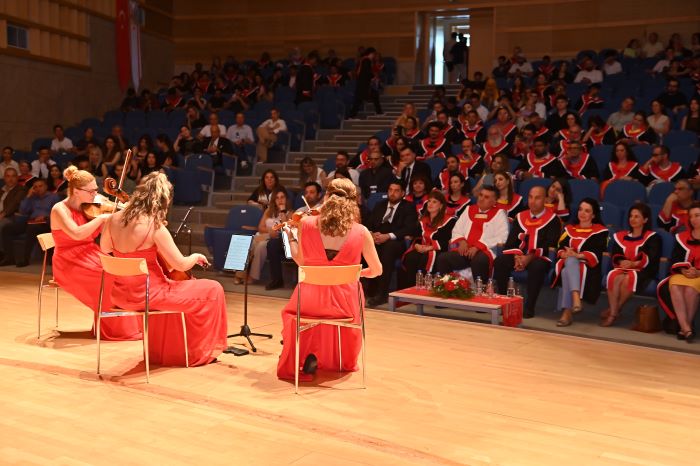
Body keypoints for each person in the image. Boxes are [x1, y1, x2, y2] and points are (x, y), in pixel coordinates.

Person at [100, 173, 226, 366]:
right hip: (151, 295)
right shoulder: (155, 226)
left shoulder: (112, 220)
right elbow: (180, 265)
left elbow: (105, 249)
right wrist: (195, 257)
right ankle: (194, 352)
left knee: (182, 290)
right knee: (213, 288)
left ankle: (165, 352)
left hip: (122, 295)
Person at [277, 178, 382, 380]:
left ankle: (307, 353)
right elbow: (377, 270)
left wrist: (290, 236)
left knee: (298, 309)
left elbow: (300, 261)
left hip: (309, 302)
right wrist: (353, 274)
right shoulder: (361, 232)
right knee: (354, 293)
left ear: (326, 197)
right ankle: (339, 359)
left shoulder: (306, 224)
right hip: (344, 306)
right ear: (354, 202)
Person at [47, 166, 142, 340]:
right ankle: (114, 330)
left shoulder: (95, 203)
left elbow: (122, 210)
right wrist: (101, 219)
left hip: (91, 253)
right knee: (108, 277)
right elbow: (76, 234)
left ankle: (127, 326)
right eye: (90, 191)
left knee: (121, 275)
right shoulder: (59, 209)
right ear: (76, 191)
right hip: (68, 261)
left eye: (96, 190)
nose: (95, 194)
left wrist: (126, 206)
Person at [494, 186, 562, 317]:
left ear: (545, 199)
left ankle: (529, 306)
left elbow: (550, 244)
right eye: (530, 197)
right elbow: (511, 242)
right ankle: (503, 301)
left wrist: (529, 257)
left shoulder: (553, 219)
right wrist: (517, 257)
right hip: (519, 255)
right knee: (500, 261)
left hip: (539, 257)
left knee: (537, 266)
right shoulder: (520, 217)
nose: (533, 201)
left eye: (537, 198)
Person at [602, 203, 661, 327]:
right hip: (623, 268)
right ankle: (615, 311)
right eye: (631, 216)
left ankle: (613, 312)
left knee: (628, 278)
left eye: (637, 216)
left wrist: (634, 263)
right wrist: (622, 262)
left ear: (645, 219)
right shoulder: (621, 236)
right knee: (613, 276)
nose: (632, 219)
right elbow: (616, 254)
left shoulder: (653, 237)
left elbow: (652, 258)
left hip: (643, 270)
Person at [551, 199, 608, 326]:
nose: (582, 213)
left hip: (589, 266)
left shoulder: (601, 231)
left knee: (567, 269)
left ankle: (567, 312)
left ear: (593, 215)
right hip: (569, 262)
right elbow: (560, 247)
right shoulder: (569, 229)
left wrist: (577, 255)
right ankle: (575, 298)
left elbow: (598, 252)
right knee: (570, 262)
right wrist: (564, 254)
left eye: (587, 211)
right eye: (580, 209)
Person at [434, 186, 508, 282]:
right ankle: (450, 286)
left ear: (494, 202)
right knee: (443, 258)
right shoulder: (469, 209)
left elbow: (502, 237)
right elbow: (457, 229)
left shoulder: (499, 214)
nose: (481, 199)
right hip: (465, 250)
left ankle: (481, 289)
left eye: (486, 197)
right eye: (480, 195)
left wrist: (478, 246)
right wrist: (462, 241)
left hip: (485, 251)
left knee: (479, 261)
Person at [363, 180, 418, 306]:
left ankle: (382, 294)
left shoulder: (408, 207)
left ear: (403, 193)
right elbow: (368, 223)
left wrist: (388, 236)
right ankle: (365, 290)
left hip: (396, 241)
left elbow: (409, 228)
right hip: (377, 238)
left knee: (388, 249)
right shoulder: (380, 205)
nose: (392, 193)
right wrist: (372, 234)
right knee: (362, 246)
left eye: (396, 191)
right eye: (390, 190)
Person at [265, 182, 324, 290]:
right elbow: (291, 227)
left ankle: (302, 283)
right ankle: (277, 280)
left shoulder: (322, 210)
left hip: (313, 243)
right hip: (297, 239)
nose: (308, 195)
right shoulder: (300, 211)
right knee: (273, 244)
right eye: (306, 192)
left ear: (319, 195)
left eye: (312, 192)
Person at [657, 202, 700, 342]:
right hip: (682, 274)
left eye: (697, 215)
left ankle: (684, 328)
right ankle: (687, 328)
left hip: (698, 276)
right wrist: (683, 270)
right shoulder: (682, 237)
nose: (693, 219)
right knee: (674, 285)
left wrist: (697, 273)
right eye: (691, 216)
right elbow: (675, 259)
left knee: (690, 290)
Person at [398, 190, 456, 289]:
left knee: (425, 258)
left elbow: (446, 242)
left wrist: (429, 248)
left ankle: (426, 289)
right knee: (410, 257)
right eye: (429, 201)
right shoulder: (423, 220)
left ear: (441, 206)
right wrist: (417, 245)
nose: (430, 204)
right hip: (423, 248)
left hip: (439, 250)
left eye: (434, 202)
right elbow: (416, 237)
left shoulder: (449, 221)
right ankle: (411, 289)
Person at [0, 179, 59, 267]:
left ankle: (25, 259)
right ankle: (9, 258)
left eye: (40, 186)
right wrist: (28, 196)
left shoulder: (54, 197)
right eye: (35, 187)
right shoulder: (33, 198)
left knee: (31, 228)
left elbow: (58, 213)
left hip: (46, 223)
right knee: (7, 228)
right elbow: (22, 211)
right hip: (31, 221)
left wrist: (45, 217)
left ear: (46, 187)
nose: (38, 189)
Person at [243, 188, 290, 285]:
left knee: (261, 247)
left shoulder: (291, 213)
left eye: (282, 197)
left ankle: (252, 276)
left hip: (275, 240)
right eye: (277, 198)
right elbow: (260, 227)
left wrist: (283, 212)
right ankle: (240, 274)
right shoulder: (269, 211)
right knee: (247, 243)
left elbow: (287, 230)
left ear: (286, 199)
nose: (280, 200)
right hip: (264, 235)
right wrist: (270, 231)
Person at [349, 47, 383, 118]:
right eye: (374, 54)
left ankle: (379, 112)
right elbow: (367, 72)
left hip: (362, 84)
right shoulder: (366, 60)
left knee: (361, 100)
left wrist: (372, 77)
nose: (374, 56)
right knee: (359, 100)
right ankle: (351, 116)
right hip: (364, 85)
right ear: (371, 53)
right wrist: (373, 77)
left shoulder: (363, 60)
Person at [0, 168, 26, 257]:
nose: (10, 179)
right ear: (4, 178)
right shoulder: (2, 190)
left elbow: (14, 203)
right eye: (8, 176)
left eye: (13, 176)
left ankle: (2, 253)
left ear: (17, 178)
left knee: (1, 224)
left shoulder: (21, 189)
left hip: (11, 216)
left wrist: (3, 214)